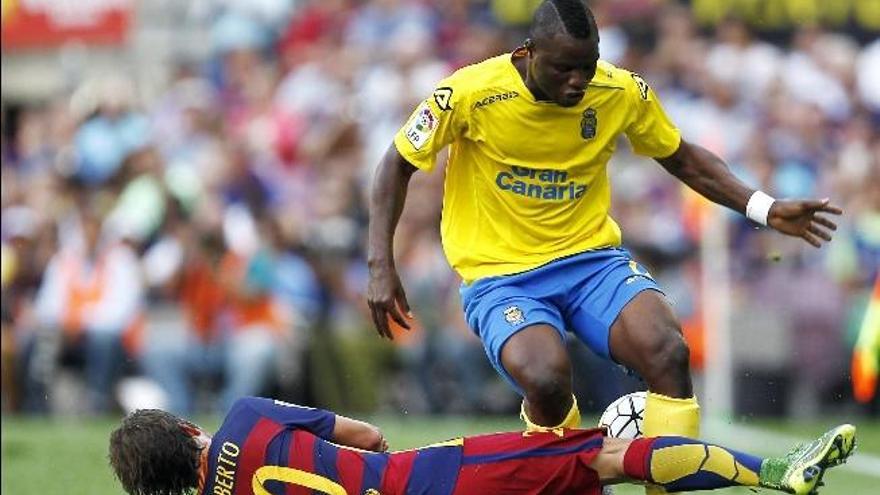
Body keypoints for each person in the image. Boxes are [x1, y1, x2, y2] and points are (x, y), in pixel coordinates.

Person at [366, 0, 842, 447]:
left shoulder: (619, 92)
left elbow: (683, 159)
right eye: (563, 68)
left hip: (592, 263)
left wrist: (764, 207)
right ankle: (563, 479)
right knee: (546, 380)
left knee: (667, 351)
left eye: (587, 67)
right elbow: (397, 163)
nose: (578, 82)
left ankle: (667, 486)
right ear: (526, 54)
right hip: (502, 276)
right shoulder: (469, 93)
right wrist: (380, 264)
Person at [108, 395, 857, 495]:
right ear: (184, 429)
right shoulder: (244, 416)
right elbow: (365, 435)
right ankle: (779, 472)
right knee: (600, 455)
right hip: (431, 477)